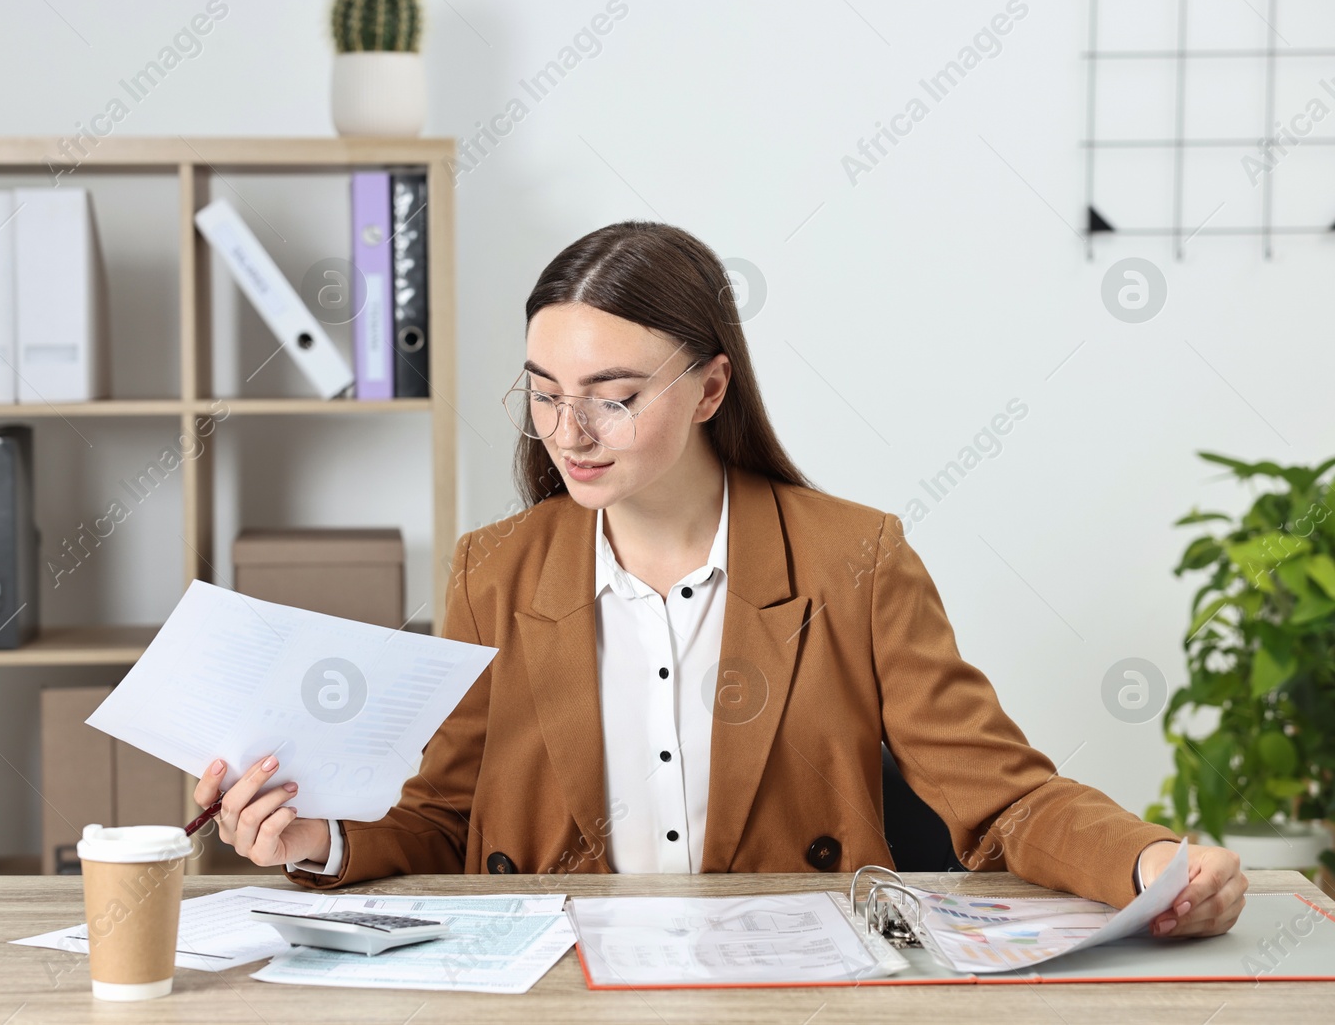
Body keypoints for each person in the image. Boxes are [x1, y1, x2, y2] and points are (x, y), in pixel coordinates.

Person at [194, 221, 1246, 937]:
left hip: (792, 988)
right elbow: (439, 819)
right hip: (562, 986)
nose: (570, 432)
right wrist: (315, 836)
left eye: (612, 396)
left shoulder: (855, 556)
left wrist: (1152, 862)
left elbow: (1005, 797)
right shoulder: (494, 569)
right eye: (545, 392)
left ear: (709, 387)